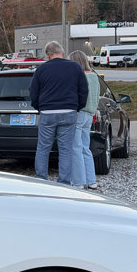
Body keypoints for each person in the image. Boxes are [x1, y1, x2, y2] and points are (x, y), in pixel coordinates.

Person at [28, 41, 86, 185]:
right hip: (69, 111)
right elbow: (83, 90)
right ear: (63, 52)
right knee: (66, 149)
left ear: (48, 55)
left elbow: (33, 92)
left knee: (43, 147)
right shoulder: (75, 67)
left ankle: (42, 180)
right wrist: (78, 107)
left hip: (47, 112)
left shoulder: (41, 70)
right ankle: (64, 182)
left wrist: (39, 107)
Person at [70, 50, 102, 190]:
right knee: (85, 148)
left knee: (75, 148)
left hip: (79, 112)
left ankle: (78, 181)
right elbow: (97, 96)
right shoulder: (94, 76)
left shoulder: (79, 77)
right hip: (90, 114)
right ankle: (91, 180)